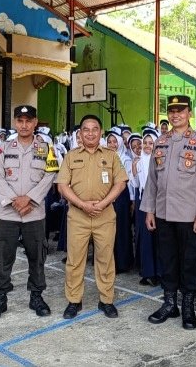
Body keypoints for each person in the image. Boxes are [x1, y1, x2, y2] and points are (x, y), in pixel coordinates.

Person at [141, 95, 196, 330]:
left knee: (190, 262)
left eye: (180, 110)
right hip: (163, 213)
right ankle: (170, 303)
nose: (175, 115)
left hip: (189, 215)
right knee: (168, 259)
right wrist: (149, 210)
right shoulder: (160, 142)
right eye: (172, 110)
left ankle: (188, 307)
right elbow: (152, 180)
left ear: (189, 113)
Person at [0, 105, 57, 322]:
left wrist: (31, 199)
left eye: (28, 120)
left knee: (37, 257)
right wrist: (15, 201)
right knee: (2, 257)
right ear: (15, 123)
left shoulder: (46, 148)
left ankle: (36, 296)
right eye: (20, 121)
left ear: (35, 123)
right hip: (8, 213)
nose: (24, 125)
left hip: (34, 214)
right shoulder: (3, 148)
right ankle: (0, 298)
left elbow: (50, 174)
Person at [56, 114, 128, 320]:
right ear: (80, 133)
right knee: (75, 260)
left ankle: (106, 300)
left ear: (101, 132)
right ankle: (74, 301)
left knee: (105, 259)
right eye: (85, 129)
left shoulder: (111, 156)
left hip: (104, 216)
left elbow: (121, 183)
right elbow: (62, 185)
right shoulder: (71, 156)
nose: (90, 133)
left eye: (94, 129)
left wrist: (103, 204)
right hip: (78, 216)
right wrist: (81, 205)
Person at [105, 127, 134, 273]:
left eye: (114, 142)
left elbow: (127, 181)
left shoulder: (125, 159)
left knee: (121, 230)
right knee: (108, 231)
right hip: (107, 197)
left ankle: (122, 263)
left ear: (120, 143)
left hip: (121, 197)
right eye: (109, 142)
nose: (112, 144)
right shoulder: (104, 157)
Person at [133, 128, 159, 286]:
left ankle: (158, 272)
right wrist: (134, 170)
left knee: (156, 237)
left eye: (151, 143)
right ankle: (147, 271)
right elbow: (136, 185)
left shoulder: (159, 160)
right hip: (142, 202)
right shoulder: (139, 160)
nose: (147, 146)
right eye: (145, 143)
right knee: (144, 237)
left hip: (156, 202)